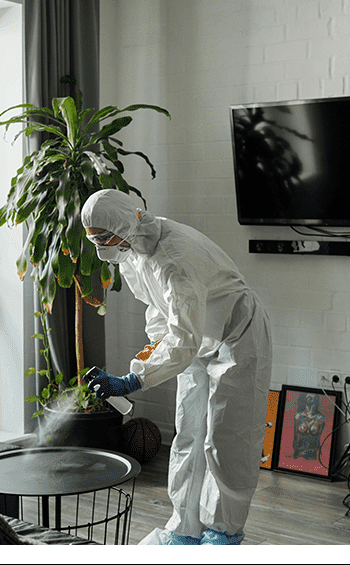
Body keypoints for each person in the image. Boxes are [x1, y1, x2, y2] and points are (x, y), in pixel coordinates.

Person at [82, 189, 272, 545]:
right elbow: (158, 307)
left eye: (104, 238)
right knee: (189, 432)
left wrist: (132, 379)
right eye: (95, 239)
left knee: (227, 437)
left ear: (126, 222)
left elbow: (182, 340)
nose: (101, 246)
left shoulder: (173, 257)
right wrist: (153, 348)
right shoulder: (132, 250)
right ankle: (185, 527)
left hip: (237, 334)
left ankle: (222, 532)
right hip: (197, 337)